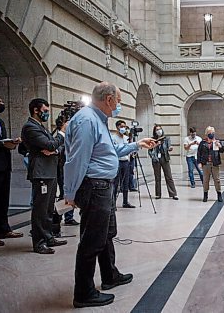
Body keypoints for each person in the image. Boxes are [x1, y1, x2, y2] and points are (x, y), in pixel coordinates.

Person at [64, 82, 156, 308]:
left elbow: (110, 151)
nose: (119, 105)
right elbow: (77, 160)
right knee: (92, 240)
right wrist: (70, 192)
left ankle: (109, 275)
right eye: (119, 100)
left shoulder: (99, 119)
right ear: (109, 99)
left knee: (106, 234)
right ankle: (84, 293)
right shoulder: (87, 120)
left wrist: (136, 144)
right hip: (95, 188)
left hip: (104, 186)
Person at [21, 98, 67, 253]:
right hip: (41, 172)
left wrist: (55, 148)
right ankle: (39, 242)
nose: (47, 113)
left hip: (50, 171)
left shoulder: (41, 127)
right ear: (36, 110)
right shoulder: (30, 127)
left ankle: (48, 237)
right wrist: (61, 132)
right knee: (40, 208)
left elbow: (57, 146)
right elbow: (51, 144)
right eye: (45, 111)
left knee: (48, 208)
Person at [0, 93, 23, 247]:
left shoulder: (0, 121)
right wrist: (1, 144)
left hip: (4, 165)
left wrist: (11, 142)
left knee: (3, 200)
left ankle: (3, 228)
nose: (1, 103)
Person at [55, 116, 79, 225]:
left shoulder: (70, 136)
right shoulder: (59, 137)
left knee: (70, 191)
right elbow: (58, 150)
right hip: (62, 168)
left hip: (70, 168)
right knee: (64, 193)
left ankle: (68, 216)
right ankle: (60, 217)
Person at [148, 124, 178, 200]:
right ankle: (158, 194)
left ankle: (173, 194)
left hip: (164, 158)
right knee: (157, 177)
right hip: (156, 159)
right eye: (157, 130)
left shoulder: (166, 138)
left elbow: (168, 146)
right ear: (155, 131)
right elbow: (149, 150)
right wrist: (156, 144)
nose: (159, 131)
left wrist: (170, 148)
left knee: (169, 176)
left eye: (160, 129)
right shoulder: (152, 139)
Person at [111, 120, 135, 208]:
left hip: (126, 161)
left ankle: (125, 202)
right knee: (116, 183)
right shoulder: (113, 137)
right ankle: (113, 203)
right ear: (117, 127)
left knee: (126, 182)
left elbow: (130, 149)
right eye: (122, 126)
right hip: (117, 161)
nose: (124, 128)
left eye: (125, 127)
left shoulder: (126, 138)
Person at [197, 126, 224, 202]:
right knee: (206, 180)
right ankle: (205, 194)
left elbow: (222, 151)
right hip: (206, 164)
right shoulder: (202, 143)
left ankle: (219, 194)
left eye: (212, 133)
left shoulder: (216, 142)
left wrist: (219, 146)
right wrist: (199, 162)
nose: (211, 134)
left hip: (215, 163)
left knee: (217, 179)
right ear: (206, 134)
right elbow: (199, 153)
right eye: (210, 133)